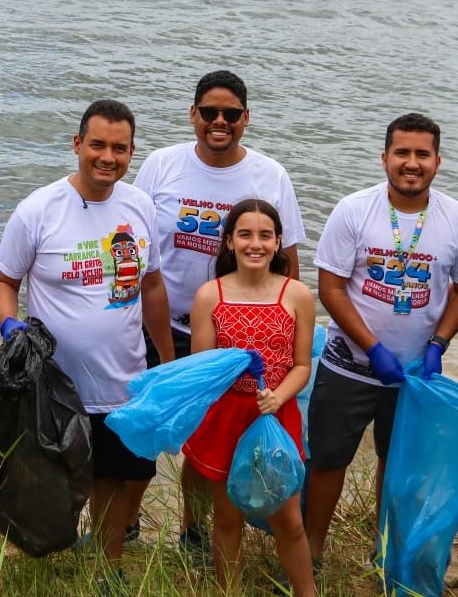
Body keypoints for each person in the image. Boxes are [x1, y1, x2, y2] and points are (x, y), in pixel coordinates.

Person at [0, 99, 174, 589]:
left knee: (120, 478)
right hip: (54, 384)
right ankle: (49, 556)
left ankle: (107, 566)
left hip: (125, 377)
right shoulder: (39, 209)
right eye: (97, 145)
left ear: (132, 152)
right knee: (55, 479)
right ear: (77, 145)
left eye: (119, 147)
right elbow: (4, 282)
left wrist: (168, 363)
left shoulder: (139, 206)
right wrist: (11, 329)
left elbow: (152, 287)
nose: (107, 156)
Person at [132, 69, 306, 552]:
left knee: (209, 439)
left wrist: (287, 327)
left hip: (238, 335)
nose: (219, 121)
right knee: (147, 426)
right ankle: (125, 522)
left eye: (231, 114)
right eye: (209, 112)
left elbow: (288, 258)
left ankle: (193, 531)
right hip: (161, 324)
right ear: (193, 115)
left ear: (246, 118)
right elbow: (138, 242)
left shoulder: (270, 175)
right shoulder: (162, 165)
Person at [303, 113, 458, 561]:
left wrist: (439, 345)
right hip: (348, 366)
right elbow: (330, 288)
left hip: (414, 374)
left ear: (438, 162)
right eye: (402, 152)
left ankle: (384, 554)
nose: (411, 163)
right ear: (384, 158)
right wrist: (373, 348)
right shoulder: (353, 209)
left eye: (422, 154)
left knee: (399, 467)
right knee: (327, 461)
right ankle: (311, 551)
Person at [180, 199, 316, 596]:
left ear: (278, 243)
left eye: (265, 235)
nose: (254, 244)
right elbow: (202, 370)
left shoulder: (298, 295)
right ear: (228, 242)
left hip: (276, 416)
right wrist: (231, 370)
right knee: (227, 518)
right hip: (226, 418)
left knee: (288, 519)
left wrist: (277, 396)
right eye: (244, 234)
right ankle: (228, 590)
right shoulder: (210, 295)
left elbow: (302, 366)